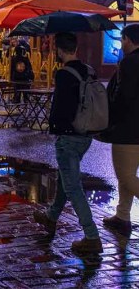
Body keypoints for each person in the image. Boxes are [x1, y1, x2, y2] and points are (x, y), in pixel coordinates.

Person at [32, 33, 102, 254]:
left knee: (72, 186)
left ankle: (92, 236)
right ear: (76, 47)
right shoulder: (89, 70)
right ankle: (51, 217)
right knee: (64, 178)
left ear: (60, 50)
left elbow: (61, 108)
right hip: (86, 134)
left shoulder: (64, 74)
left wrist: (53, 126)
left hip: (69, 136)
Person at [102, 24, 139, 236]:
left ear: (129, 40)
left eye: (122, 39)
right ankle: (122, 216)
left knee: (125, 176)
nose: (121, 44)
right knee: (128, 175)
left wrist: (111, 118)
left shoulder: (129, 63)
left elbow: (123, 97)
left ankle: (122, 216)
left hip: (129, 128)